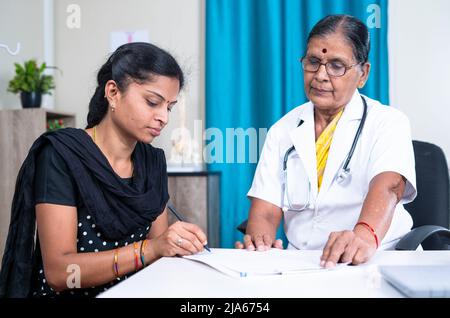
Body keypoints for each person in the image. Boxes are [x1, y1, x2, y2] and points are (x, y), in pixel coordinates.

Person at [0, 42, 208, 298]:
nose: (164, 117)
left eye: (169, 107)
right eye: (153, 102)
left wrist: (177, 244)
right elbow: (60, 273)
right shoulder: (61, 155)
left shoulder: (153, 162)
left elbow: (158, 258)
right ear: (113, 92)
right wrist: (150, 249)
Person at [235, 15, 416, 268]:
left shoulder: (388, 122)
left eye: (336, 65)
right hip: (302, 263)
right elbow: (265, 211)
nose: (320, 75)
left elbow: (389, 187)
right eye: (313, 62)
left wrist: (363, 236)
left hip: (376, 258)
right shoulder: (282, 130)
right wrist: (259, 244)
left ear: (363, 73)